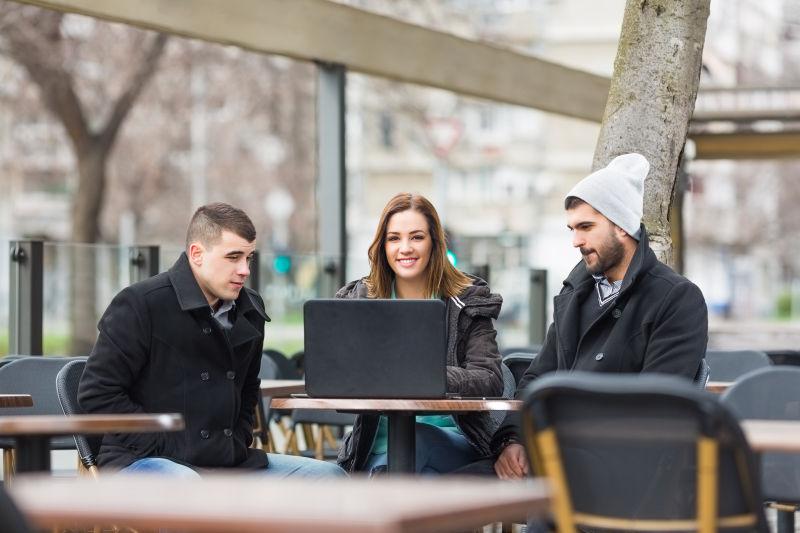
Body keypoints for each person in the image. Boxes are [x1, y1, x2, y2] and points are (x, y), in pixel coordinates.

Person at [79, 202, 346, 478]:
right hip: (142, 459)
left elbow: (248, 389)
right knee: (189, 486)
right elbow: (97, 393)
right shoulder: (141, 303)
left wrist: (239, 439)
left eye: (249, 258)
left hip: (226, 460)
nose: (245, 270)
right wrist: (162, 444)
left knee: (329, 477)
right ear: (197, 254)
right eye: (233, 257)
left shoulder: (250, 308)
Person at [491, 153, 708, 480]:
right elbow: (536, 379)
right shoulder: (573, 295)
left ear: (621, 226)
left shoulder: (676, 298)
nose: (575, 240)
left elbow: (658, 406)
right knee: (452, 486)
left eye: (586, 227)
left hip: (619, 475)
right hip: (552, 459)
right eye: (572, 228)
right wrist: (512, 441)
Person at [336, 193, 505, 475]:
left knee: (416, 442)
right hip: (376, 448)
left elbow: (489, 378)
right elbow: (340, 373)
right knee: (419, 477)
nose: (405, 248)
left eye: (416, 237)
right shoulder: (359, 300)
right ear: (382, 245)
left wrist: (423, 376)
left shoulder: (467, 301)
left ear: (434, 243)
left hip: (453, 439)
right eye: (394, 238)